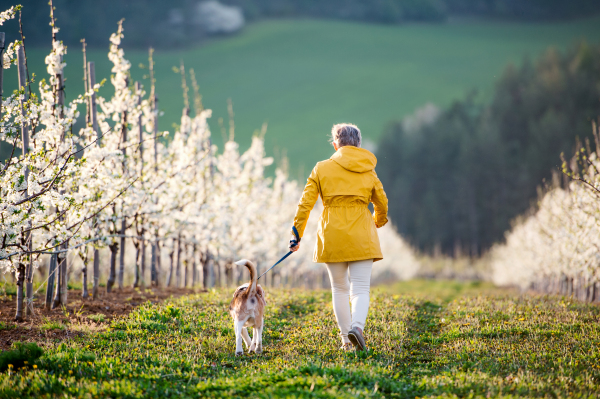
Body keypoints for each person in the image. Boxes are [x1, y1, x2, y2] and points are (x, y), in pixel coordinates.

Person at [289, 123, 388, 351]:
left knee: (339, 288)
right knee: (361, 288)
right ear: (358, 144)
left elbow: (305, 204)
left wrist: (296, 234)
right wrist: (378, 221)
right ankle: (357, 328)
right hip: (362, 233)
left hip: (332, 233)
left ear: (335, 145)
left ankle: (346, 340)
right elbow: (381, 201)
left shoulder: (321, 168)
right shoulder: (368, 170)